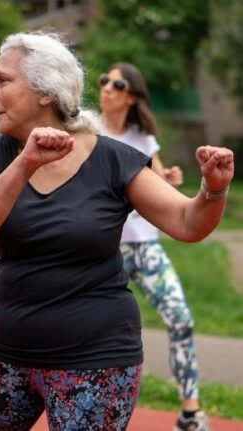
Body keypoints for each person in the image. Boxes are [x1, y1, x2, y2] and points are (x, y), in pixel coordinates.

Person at [0, 31, 234, 430]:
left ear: (46, 91)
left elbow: (187, 223)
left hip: (96, 362)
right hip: (2, 353)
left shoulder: (115, 159)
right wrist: (24, 164)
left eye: (3, 81)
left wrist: (213, 189)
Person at [99, 62, 211, 431]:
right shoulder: (87, 132)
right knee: (92, 333)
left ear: (130, 96)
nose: (106, 88)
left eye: (115, 84)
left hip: (145, 247)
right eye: (103, 81)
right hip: (103, 251)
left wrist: (168, 180)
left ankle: (190, 412)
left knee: (182, 320)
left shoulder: (144, 139)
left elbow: (159, 189)